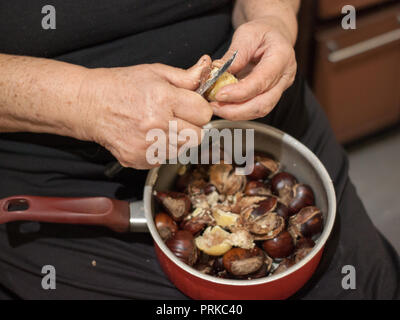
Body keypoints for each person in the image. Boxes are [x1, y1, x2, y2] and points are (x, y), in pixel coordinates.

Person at [0, 0, 398, 299]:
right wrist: (85, 104)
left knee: (368, 283)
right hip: (64, 163)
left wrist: (271, 19)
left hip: (256, 117)